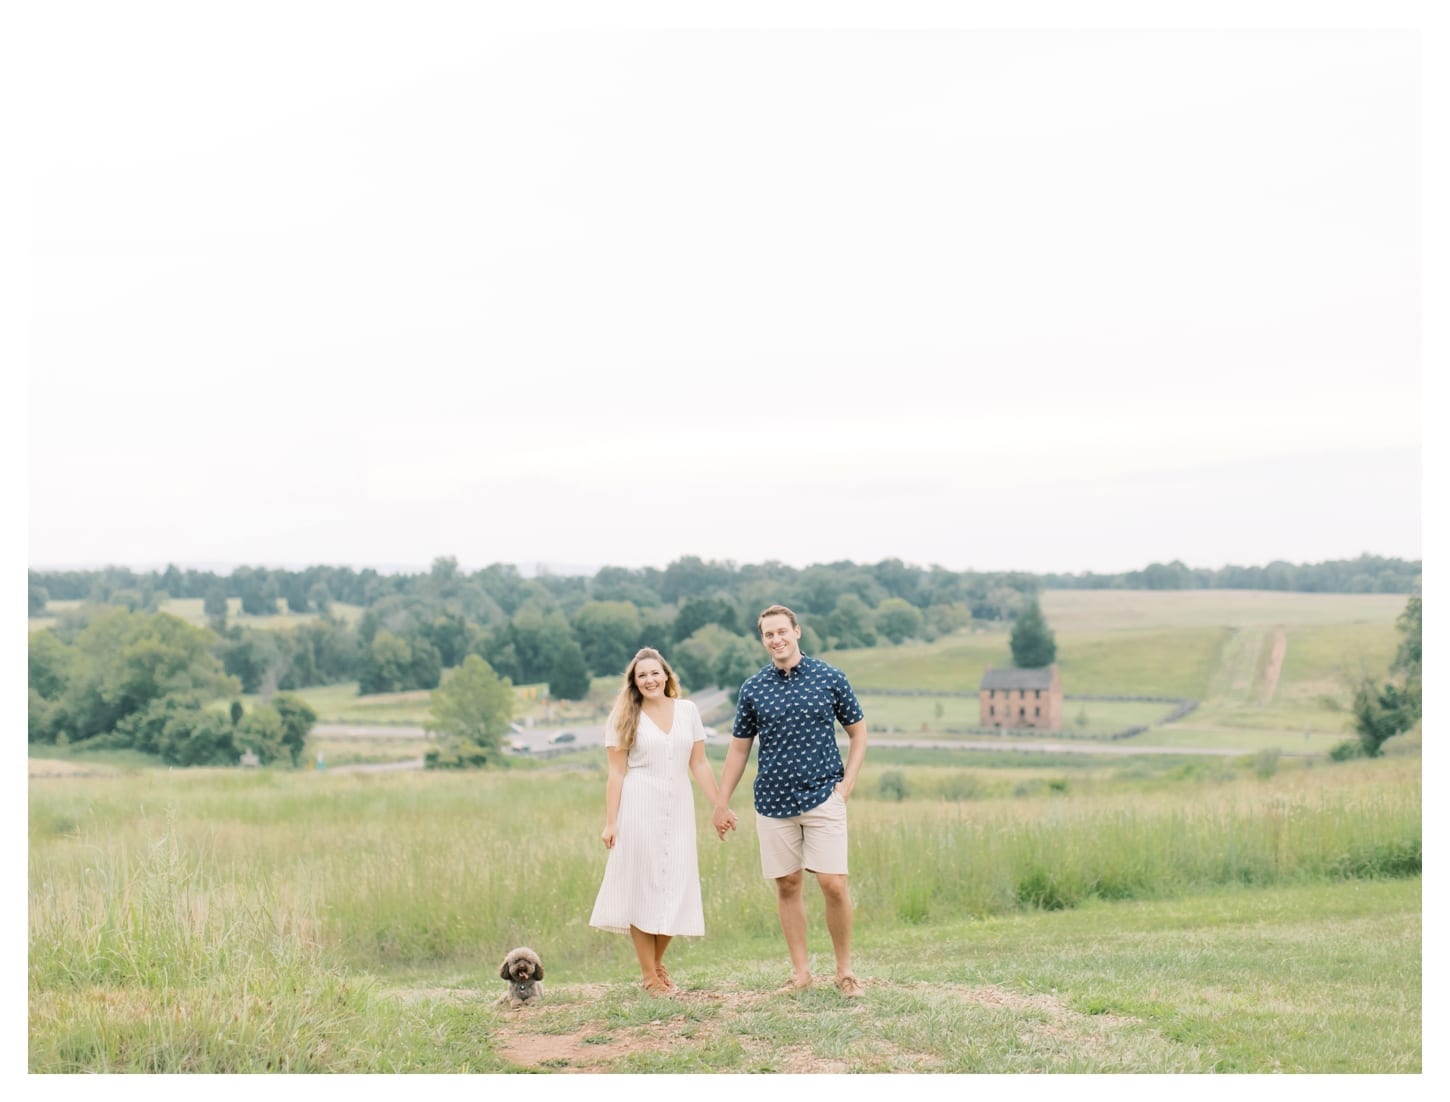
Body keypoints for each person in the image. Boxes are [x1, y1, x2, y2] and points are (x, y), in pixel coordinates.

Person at [712, 604, 868, 997]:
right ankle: (801, 973)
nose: (776, 639)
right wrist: (721, 802)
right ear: (763, 640)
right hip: (772, 802)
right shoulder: (753, 689)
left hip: (823, 795)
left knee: (833, 884)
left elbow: (859, 732)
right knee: (787, 884)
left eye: (782, 631)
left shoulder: (829, 677)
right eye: (769, 634)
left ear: (797, 632)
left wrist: (847, 785)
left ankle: (845, 971)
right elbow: (738, 750)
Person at [589, 647, 736, 995]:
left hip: (679, 807)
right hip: (639, 807)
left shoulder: (687, 711)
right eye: (642, 676)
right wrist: (611, 822)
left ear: (667, 676)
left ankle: (656, 964)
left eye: (655, 673)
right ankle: (649, 977)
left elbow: (699, 764)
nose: (650, 680)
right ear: (634, 682)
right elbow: (616, 773)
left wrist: (720, 805)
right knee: (643, 887)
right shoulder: (625, 717)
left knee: (676, 885)